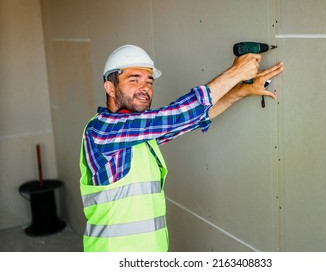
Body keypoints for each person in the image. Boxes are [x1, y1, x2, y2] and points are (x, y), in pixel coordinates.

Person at [79, 44, 283, 252]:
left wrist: (241, 90)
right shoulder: (103, 129)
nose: (145, 88)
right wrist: (236, 73)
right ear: (110, 88)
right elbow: (179, 115)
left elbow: (191, 119)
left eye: (149, 81)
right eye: (134, 80)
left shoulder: (137, 135)